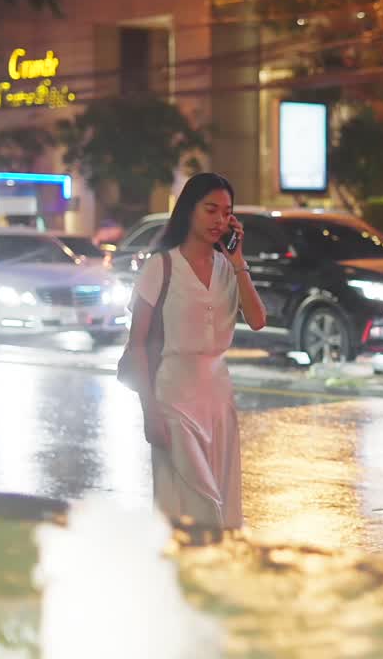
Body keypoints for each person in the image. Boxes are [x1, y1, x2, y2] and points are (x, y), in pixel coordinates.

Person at [125, 172, 267, 533]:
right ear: (189, 210)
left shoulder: (227, 268)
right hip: (172, 399)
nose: (219, 220)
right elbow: (138, 344)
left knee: (222, 505)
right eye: (210, 210)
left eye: (226, 212)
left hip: (218, 401)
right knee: (196, 504)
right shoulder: (161, 265)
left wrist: (237, 261)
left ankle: (210, 579)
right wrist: (149, 412)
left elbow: (257, 319)